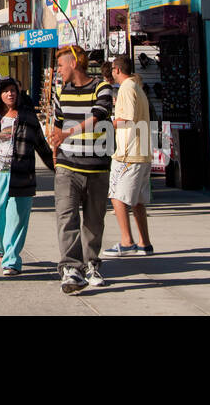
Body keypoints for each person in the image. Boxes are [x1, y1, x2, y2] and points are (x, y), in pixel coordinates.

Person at [46, 45, 115, 294]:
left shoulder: (101, 87)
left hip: (96, 167)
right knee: (66, 217)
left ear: (73, 64)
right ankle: (71, 268)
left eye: (61, 66)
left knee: (94, 221)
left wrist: (68, 133)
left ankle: (91, 264)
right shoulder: (60, 92)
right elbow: (57, 125)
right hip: (67, 166)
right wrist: (54, 153)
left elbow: (99, 114)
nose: (59, 72)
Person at [0, 76, 53, 276]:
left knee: (17, 219)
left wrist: (57, 167)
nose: (10, 94)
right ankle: (1, 248)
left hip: (22, 173)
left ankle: (11, 260)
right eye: (6, 90)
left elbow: (41, 145)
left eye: (13, 90)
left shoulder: (27, 116)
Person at [104, 55, 154, 257]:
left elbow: (127, 118)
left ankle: (127, 241)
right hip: (141, 152)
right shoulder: (138, 87)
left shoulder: (126, 88)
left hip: (128, 153)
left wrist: (106, 123)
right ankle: (144, 242)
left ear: (116, 69)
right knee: (137, 200)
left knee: (117, 196)